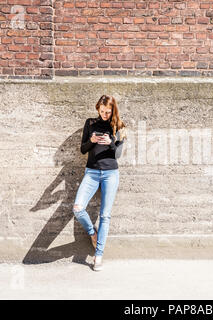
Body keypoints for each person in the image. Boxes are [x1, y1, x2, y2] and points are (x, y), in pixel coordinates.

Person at [72, 95, 127, 271]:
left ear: (113, 110)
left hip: (111, 173)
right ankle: (92, 233)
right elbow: (82, 149)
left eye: (108, 112)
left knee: (105, 216)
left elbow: (118, 154)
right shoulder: (90, 123)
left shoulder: (118, 126)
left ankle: (99, 255)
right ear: (98, 109)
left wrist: (111, 143)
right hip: (92, 172)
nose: (105, 114)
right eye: (102, 111)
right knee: (78, 208)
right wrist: (92, 141)